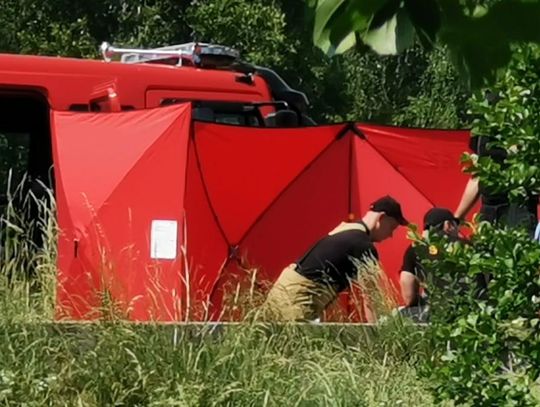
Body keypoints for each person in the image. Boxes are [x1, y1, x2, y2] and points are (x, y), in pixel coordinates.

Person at [262, 195, 408, 322]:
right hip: (296, 303)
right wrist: (379, 338)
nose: (390, 235)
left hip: (280, 294)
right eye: (392, 228)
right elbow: (370, 297)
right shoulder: (362, 245)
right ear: (381, 218)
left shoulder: (345, 229)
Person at [454, 92, 538, 235]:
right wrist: (457, 218)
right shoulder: (482, 129)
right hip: (489, 209)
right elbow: (477, 175)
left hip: (518, 207)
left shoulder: (526, 124)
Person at [399, 208, 461, 322]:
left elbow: (408, 297)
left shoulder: (415, 249)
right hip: (468, 311)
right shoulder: (468, 247)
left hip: (435, 312)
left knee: (399, 314)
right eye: (457, 224)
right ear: (448, 225)